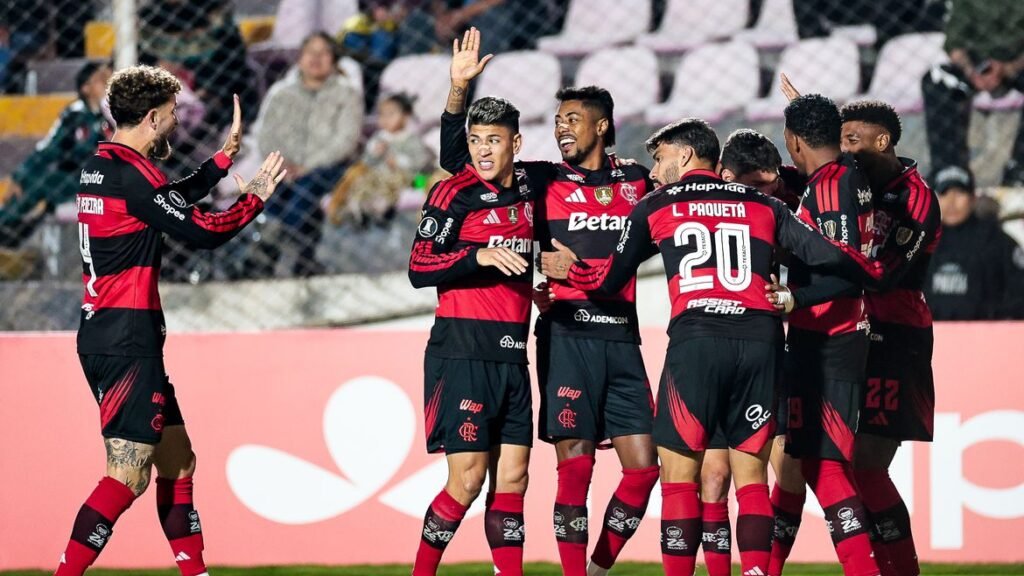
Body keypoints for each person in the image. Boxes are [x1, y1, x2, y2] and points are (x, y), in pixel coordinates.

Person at [541, 118, 883, 576]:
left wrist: (571, 269)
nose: (654, 169)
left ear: (685, 155)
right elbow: (832, 255)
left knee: (680, 479)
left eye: (660, 157)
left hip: (697, 341)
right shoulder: (763, 204)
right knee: (751, 477)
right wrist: (866, 269)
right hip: (761, 341)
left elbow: (608, 282)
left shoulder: (656, 203)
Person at [437, 28, 658, 576]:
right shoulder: (541, 180)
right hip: (566, 336)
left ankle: (600, 566)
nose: (561, 128)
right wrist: (458, 91)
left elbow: (670, 224)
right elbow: (458, 160)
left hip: (622, 336)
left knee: (644, 470)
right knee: (575, 468)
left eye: (572, 120)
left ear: (601, 126)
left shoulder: (637, 180)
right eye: (558, 121)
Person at [54, 65, 286, 576]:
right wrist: (253, 199)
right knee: (127, 475)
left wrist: (220, 163)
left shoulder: (102, 165)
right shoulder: (134, 174)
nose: (177, 121)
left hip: (108, 331)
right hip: (126, 338)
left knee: (178, 462)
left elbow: (161, 203)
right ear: (153, 118)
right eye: (173, 112)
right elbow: (204, 232)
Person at [407, 95, 535, 576]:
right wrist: (476, 256)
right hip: (462, 352)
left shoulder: (531, 189)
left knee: (514, 479)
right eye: (476, 140)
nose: (483, 150)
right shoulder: (451, 193)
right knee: (467, 480)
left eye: (494, 140)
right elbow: (419, 267)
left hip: (513, 353)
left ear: (515, 144)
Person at [766, 93, 880, 576]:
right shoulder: (844, 173)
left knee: (825, 466)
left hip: (830, 339)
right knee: (796, 464)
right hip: (829, 337)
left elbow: (850, 272)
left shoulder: (832, 187)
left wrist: (795, 299)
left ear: (793, 141)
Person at [696, 128, 802, 576]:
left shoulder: (785, 203)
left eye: (772, 183)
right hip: (707, 350)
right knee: (714, 476)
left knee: (786, 476)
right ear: (725, 175)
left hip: (765, 353)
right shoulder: (693, 205)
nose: (767, 193)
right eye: (756, 185)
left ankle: (766, 570)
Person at [248, 31, 364, 277]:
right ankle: (290, 256)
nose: (316, 58)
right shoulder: (281, 93)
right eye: (310, 52)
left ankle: (277, 245)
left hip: (326, 165)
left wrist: (306, 166)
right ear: (300, 58)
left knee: (306, 188)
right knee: (271, 191)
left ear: (334, 59)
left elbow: (345, 141)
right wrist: (283, 165)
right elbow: (265, 135)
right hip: (283, 166)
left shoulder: (347, 93)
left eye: (324, 53)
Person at [0, 61, 111, 248]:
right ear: (86, 89)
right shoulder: (75, 115)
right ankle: (9, 231)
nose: (108, 83)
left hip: (103, 179)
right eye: (101, 80)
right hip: (75, 178)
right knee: (39, 183)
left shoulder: (112, 115)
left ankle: (15, 233)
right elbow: (49, 148)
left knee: (47, 185)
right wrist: (20, 176)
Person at [921, 0, 1024, 185]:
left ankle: (1020, 170)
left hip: (1017, 65)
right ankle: (951, 171)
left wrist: (1008, 69)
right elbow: (954, 43)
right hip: (976, 66)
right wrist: (971, 71)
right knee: (937, 78)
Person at [925, 165, 1024, 319]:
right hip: (929, 331)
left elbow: (1019, 291)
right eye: (944, 193)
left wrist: (996, 319)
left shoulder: (997, 241)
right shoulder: (921, 242)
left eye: (959, 193)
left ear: (972, 198)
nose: (951, 202)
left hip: (987, 332)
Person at [326, 93, 432, 227]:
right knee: (362, 182)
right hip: (376, 173)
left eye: (391, 115)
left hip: (400, 175)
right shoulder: (379, 137)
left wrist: (398, 161)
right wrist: (375, 153)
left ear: (405, 117)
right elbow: (366, 160)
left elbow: (420, 161)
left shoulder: (410, 139)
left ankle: (381, 209)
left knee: (393, 184)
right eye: (382, 115)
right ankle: (357, 209)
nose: (385, 119)